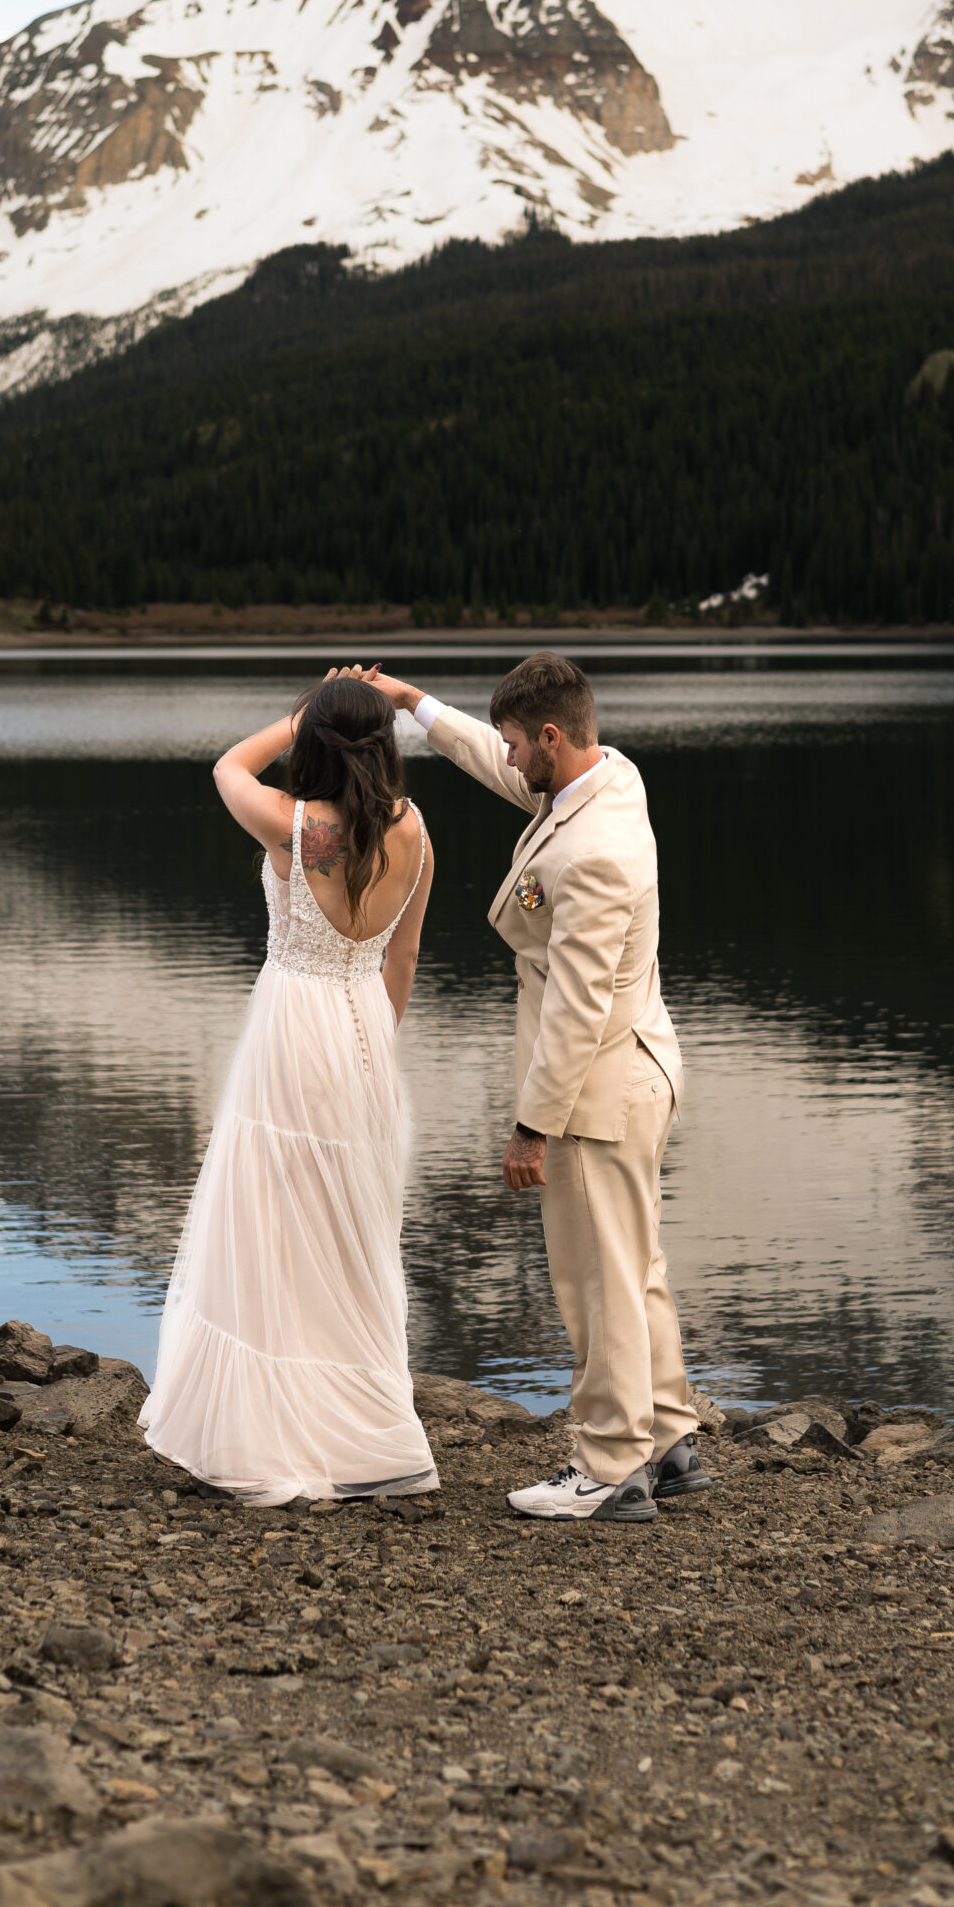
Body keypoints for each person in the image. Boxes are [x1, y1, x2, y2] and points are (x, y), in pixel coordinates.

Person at [358, 652, 710, 1523]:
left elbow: (576, 1011)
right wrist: (412, 704)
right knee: (636, 1266)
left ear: (551, 737)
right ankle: (668, 1438)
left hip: (597, 1088)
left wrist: (530, 1128)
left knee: (595, 1279)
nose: (510, 760)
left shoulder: (591, 855)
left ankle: (607, 1466)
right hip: (641, 1067)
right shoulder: (605, 777)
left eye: (519, 745)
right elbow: (495, 762)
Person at [139, 672, 437, 1504]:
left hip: (291, 1031)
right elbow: (403, 959)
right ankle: (367, 1440)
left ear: (316, 741)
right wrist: (372, 1044)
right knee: (348, 1237)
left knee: (266, 1228)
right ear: (382, 745)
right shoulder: (413, 831)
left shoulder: (297, 824)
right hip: (363, 1032)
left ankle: (258, 1438)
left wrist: (290, 719)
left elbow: (226, 768)